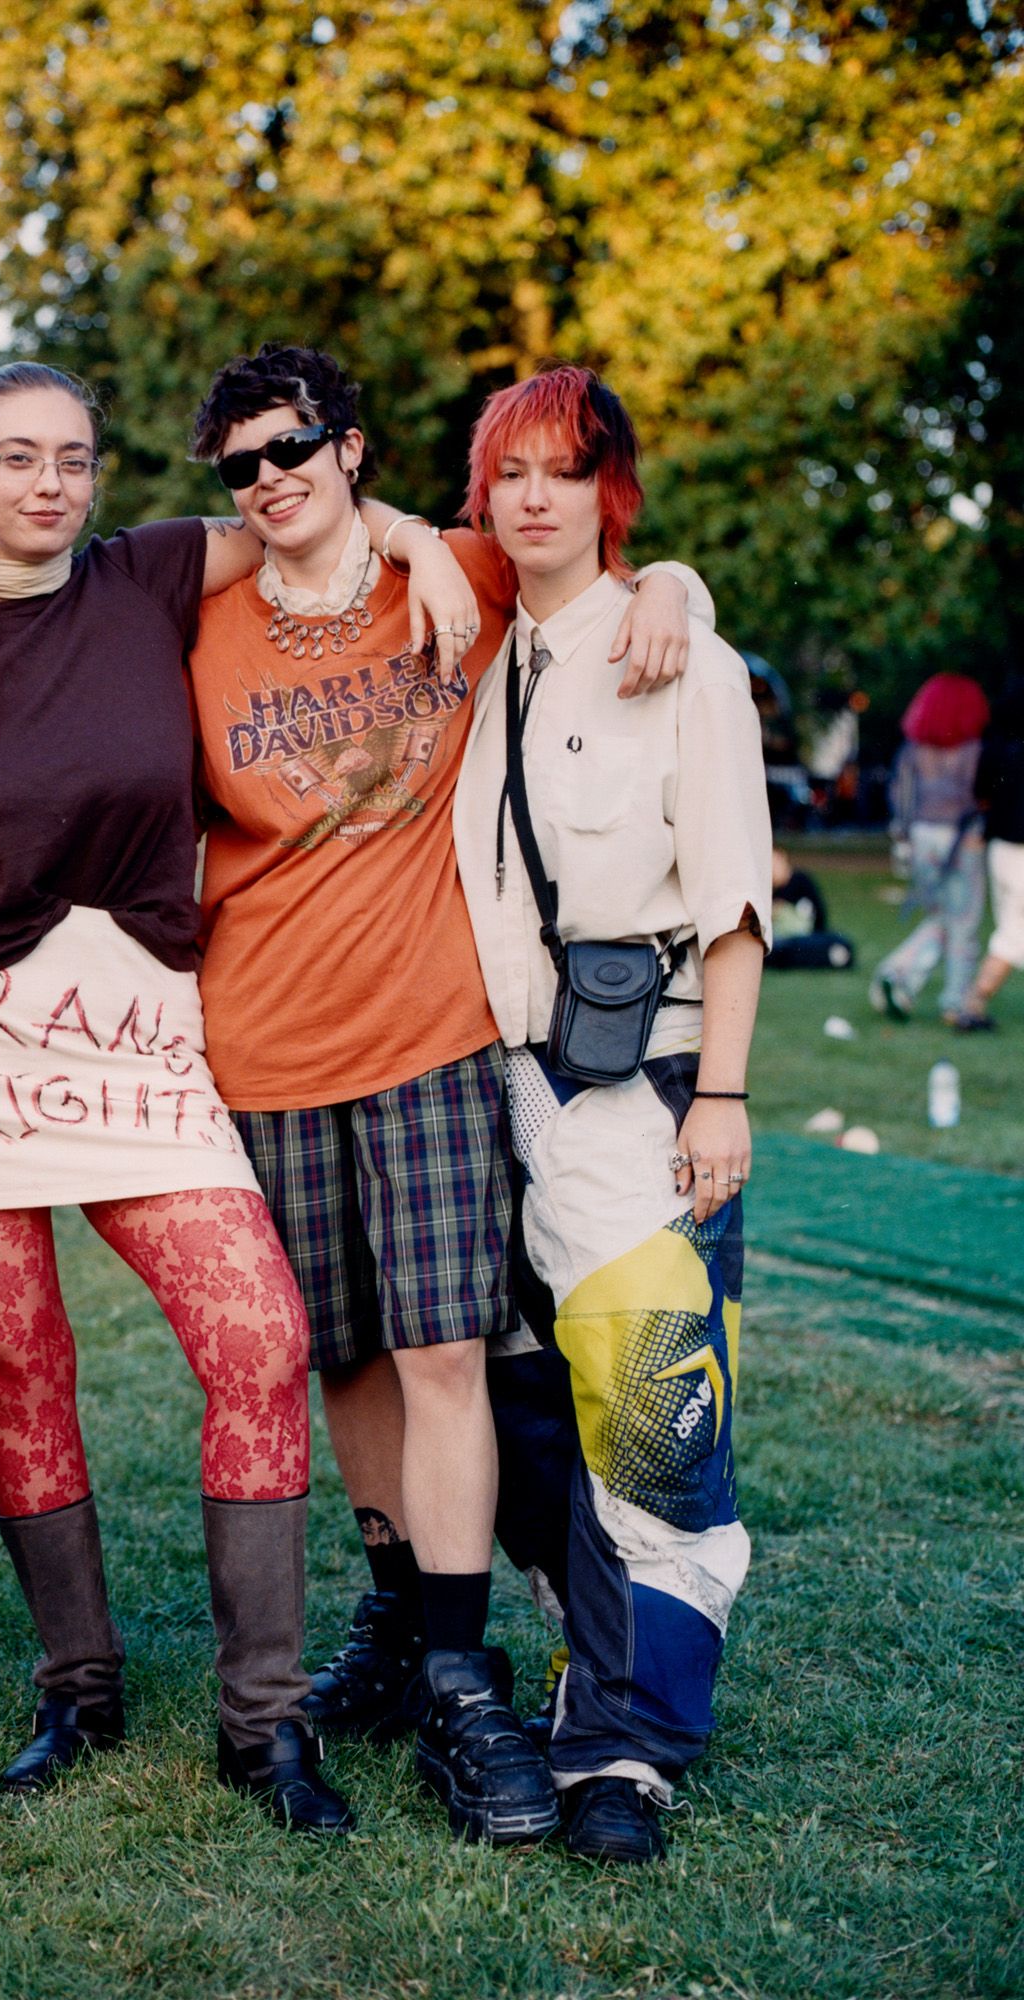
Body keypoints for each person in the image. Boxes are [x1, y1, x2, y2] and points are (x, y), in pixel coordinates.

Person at [0, 360, 512, 1835]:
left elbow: (326, 521)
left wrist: (425, 541)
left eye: (73, 457)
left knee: (259, 1339)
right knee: (21, 1370)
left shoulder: (156, 571)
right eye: (15, 457)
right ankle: (77, 1688)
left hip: (144, 1032)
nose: (47, 483)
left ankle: (264, 1723)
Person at [185, 342, 706, 1846]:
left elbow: (593, 564)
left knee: (441, 1351)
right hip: (261, 1043)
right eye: (240, 463)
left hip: (427, 1033)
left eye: (292, 447)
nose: (268, 480)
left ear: (348, 447)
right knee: (342, 1352)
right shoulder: (202, 622)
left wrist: (675, 586)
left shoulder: (459, 569)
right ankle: (400, 1611)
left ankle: (463, 1681)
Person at [451, 363, 770, 1863]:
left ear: (609, 491)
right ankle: (588, 1660)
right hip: (494, 1089)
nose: (534, 498)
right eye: (509, 471)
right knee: (521, 1410)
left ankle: (627, 1756)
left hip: (647, 1087)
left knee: (656, 1424)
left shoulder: (680, 659)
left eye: (564, 470)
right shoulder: (469, 649)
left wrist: (726, 1095)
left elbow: (735, 902)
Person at [872, 672, 988, 1026]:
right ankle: (956, 1001)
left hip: (922, 836)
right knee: (963, 922)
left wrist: (904, 836)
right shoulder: (972, 750)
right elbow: (976, 796)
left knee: (939, 916)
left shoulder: (913, 750)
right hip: (962, 837)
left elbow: (902, 794)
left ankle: (898, 973)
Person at [953, 673, 1022, 1030]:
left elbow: (981, 795)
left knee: (1013, 927)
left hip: (999, 848)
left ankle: (973, 1002)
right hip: (1021, 851)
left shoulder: (995, 747)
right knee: (1014, 934)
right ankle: (973, 1003)